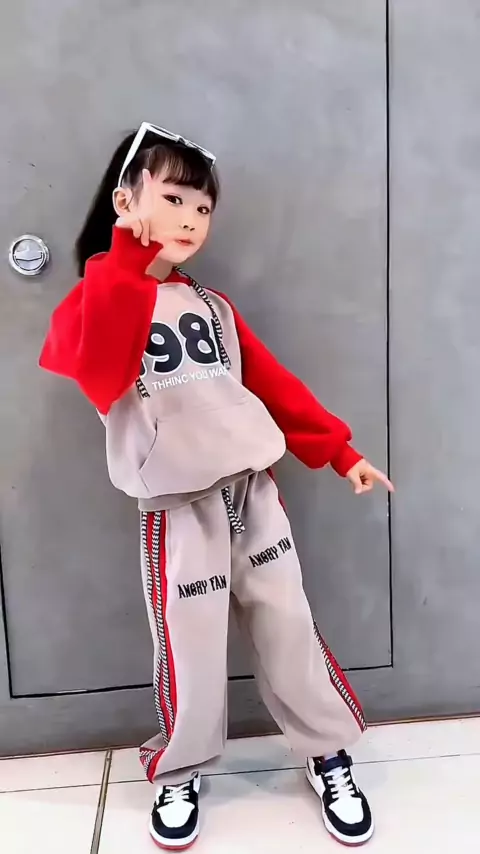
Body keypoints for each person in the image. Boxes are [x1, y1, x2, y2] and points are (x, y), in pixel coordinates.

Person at [40, 122, 394, 851]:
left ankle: (327, 751)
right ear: (125, 201)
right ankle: (181, 769)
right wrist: (126, 256)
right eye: (173, 199)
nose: (191, 219)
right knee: (189, 647)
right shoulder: (95, 301)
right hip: (178, 510)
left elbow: (271, 385)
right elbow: (101, 375)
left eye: (203, 207)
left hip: (254, 496)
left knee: (288, 627)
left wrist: (339, 452)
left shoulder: (213, 307)